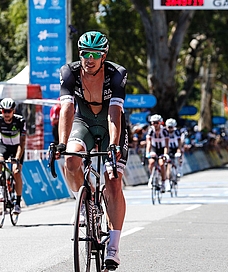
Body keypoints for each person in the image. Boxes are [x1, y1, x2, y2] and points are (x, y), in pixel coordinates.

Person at [56, 31, 129, 269]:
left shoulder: (116, 74)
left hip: (110, 122)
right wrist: (62, 143)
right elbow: (66, 109)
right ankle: (83, 199)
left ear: (103, 56)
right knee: (71, 161)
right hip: (84, 120)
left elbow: (115, 113)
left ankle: (114, 248)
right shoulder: (69, 72)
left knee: (113, 179)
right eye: (85, 54)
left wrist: (114, 146)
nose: (89, 59)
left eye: (95, 55)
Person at [0, 98, 26, 215]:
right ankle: (2, 187)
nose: (7, 114)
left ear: (13, 111)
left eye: (9, 111)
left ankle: (18, 203)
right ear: (1, 111)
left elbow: (22, 142)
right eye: (4, 111)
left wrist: (17, 159)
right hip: (4, 146)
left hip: (17, 147)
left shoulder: (20, 121)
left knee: (16, 172)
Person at [145, 114, 170, 192]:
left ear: (160, 123)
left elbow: (166, 145)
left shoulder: (165, 131)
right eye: (153, 123)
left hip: (162, 149)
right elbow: (148, 143)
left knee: (162, 164)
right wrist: (147, 153)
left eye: (157, 122)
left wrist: (165, 154)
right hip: (154, 148)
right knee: (151, 162)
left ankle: (163, 182)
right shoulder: (150, 130)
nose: (155, 124)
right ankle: (151, 177)